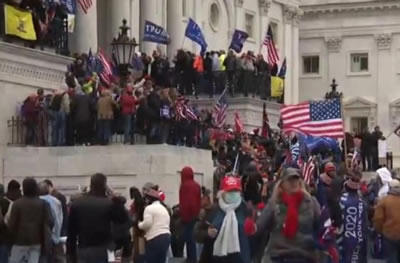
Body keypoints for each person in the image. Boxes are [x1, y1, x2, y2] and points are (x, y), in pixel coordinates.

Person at [256, 168, 321, 263]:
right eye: (290, 180)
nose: (293, 183)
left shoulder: (311, 203)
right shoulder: (274, 204)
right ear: (282, 184)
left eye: (296, 180)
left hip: (305, 256)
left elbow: (321, 230)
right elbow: (260, 228)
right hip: (279, 256)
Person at [66, 173, 128, 263]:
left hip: (83, 248)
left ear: (91, 184)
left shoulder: (77, 203)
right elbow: (123, 219)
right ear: (105, 185)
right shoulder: (109, 203)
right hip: (103, 249)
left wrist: (70, 254)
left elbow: (71, 232)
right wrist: (116, 198)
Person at [205, 176, 255, 263]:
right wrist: (207, 232)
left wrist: (253, 229)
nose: (233, 194)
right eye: (230, 191)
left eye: (235, 191)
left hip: (241, 258)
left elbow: (254, 235)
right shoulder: (214, 209)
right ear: (222, 192)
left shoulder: (245, 208)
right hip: (217, 259)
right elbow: (198, 231)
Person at [8, 177, 54, 263]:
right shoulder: (43, 204)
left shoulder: (17, 204)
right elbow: (50, 222)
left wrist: (10, 241)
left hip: (19, 241)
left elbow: (12, 225)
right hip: (37, 241)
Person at [338, 172, 368, 263]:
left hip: (344, 238)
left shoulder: (342, 199)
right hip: (358, 238)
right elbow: (364, 222)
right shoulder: (362, 203)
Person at [138, 188, 171, 263]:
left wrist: (139, 224)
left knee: (151, 260)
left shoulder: (149, 208)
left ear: (149, 199)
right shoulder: (164, 208)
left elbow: (147, 224)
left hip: (154, 237)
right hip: (166, 236)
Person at [373, 179, 400, 263]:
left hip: (389, 234)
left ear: (390, 187)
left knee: (391, 257)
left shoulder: (384, 201)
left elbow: (378, 219)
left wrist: (380, 231)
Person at [179, 166, 201, 263]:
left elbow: (185, 202)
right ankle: (193, 257)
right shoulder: (196, 185)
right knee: (192, 237)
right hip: (195, 215)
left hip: (186, 215)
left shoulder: (184, 186)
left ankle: (191, 258)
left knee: (188, 237)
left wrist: (184, 215)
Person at [38, 181, 64, 263]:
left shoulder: (37, 201)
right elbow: (59, 218)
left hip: (40, 237)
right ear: (48, 190)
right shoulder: (56, 201)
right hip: (55, 235)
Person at [129, 187, 146, 263]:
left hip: (137, 227)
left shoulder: (136, 203)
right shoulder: (142, 202)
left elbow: (132, 213)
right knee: (141, 248)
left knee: (138, 247)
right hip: (141, 226)